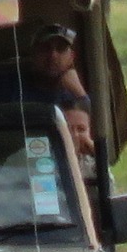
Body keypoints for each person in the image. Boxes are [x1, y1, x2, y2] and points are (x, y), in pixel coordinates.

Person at [27, 22, 97, 167]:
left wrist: (80, 94)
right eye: (46, 49)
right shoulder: (5, 86)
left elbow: (93, 135)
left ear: (71, 57)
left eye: (60, 49)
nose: (53, 55)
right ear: (34, 55)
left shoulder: (74, 94)